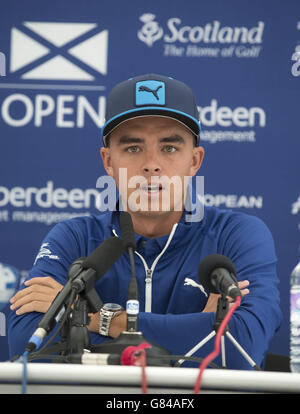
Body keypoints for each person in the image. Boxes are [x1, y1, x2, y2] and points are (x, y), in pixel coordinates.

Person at [8, 74, 282, 369]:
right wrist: (198, 331)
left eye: (169, 147)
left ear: (194, 161)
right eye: (133, 148)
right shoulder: (73, 237)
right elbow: (30, 345)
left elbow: (241, 346)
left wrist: (96, 320)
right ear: (108, 161)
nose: (151, 164)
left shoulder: (237, 235)